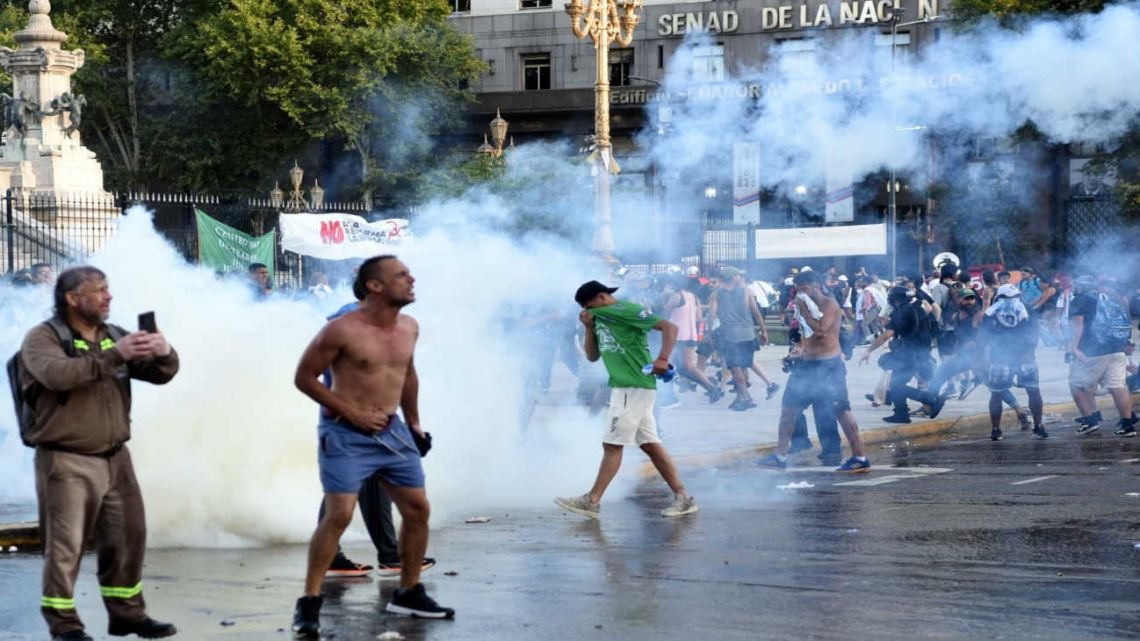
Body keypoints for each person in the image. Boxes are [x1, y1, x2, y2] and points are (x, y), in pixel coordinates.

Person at [291, 255, 453, 638]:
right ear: (374, 286)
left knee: (418, 509)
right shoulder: (340, 330)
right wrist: (352, 413)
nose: (411, 279)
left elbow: (407, 374)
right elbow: (304, 377)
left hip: (393, 432)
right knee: (340, 514)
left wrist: (413, 423)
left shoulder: (409, 327)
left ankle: (409, 591)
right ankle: (309, 602)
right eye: (401, 275)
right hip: (346, 433)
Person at [19, 266, 180, 641]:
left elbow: (161, 374)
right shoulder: (43, 338)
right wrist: (115, 357)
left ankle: (127, 614)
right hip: (66, 458)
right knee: (66, 545)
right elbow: (57, 375)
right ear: (72, 298)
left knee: (129, 537)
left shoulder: (113, 336)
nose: (109, 297)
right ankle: (65, 626)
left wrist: (164, 353)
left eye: (108, 290)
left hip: (116, 458)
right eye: (99, 291)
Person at [554, 280, 698, 519]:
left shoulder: (628, 310)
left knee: (612, 444)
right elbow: (591, 356)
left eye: (588, 306)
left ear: (601, 297)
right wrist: (589, 328)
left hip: (633, 385)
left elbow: (670, 328)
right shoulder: (599, 318)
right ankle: (683, 497)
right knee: (651, 445)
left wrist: (662, 359)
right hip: (623, 387)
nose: (587, 312)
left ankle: (592, 500)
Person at [759, 270, 871, 473]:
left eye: (805, 288)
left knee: (841, 411)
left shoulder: (829, 304)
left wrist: (803, 308)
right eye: (798, 290)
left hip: (829, 367)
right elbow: (808, 334)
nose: (801, 293)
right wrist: (799, 348)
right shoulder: (804, 306)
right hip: (806, 367)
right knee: (788, 410)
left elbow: (821, 330)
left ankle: (859, 457)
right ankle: (780, 456)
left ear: (816, 286)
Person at [859, 286, 946, 424]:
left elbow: (887, 334)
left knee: (898, 384)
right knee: (896, 383)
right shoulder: (920, 307)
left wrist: (869, 350)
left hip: (909, 354)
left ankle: (930, 399)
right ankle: (901, 413)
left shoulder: (902, 312)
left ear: (895, 300)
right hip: (921, 352)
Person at [1068, 277, 1136, 436]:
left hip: (1094, 350)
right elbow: (1124, 320)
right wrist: (1127, 342)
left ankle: (1089, 420)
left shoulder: (1080, 300)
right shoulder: (1110, 298)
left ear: (1081, 286)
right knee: (1118, 385)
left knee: (1076, 384)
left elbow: (1078, 326)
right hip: (1117, 348)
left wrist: (1074, 347)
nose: (1073, 287)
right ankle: (1127, 425)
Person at [982, 285, 1049, 441]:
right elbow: (1034, 333)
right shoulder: (1026, 309)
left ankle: (996, 430)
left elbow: (984, 336)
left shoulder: (992, 311)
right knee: (1032, 390)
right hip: (1021, 358)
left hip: (1002, 358)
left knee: (997, 393)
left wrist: (983, 355)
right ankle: (1038, 426)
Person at [710, 267, 776, 411]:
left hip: (730, 335)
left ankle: (746, 398)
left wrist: (709, 333)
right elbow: (757, 313)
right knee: (744, 365)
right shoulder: (747, 292)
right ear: (734, 277)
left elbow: (712, 316)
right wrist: (764, 331)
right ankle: (742, 398)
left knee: (735, 369)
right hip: (748, 334)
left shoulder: (717, 294)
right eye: (739, 275)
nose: (740, 277)